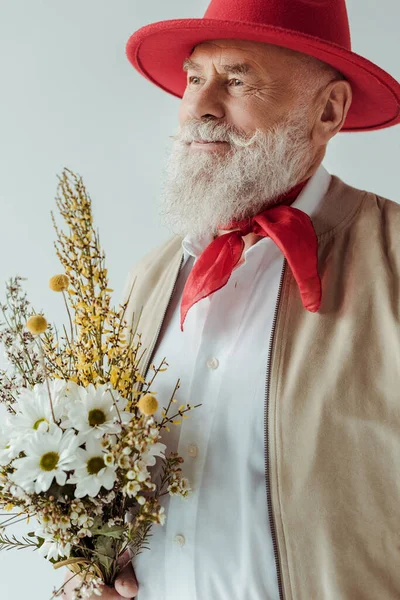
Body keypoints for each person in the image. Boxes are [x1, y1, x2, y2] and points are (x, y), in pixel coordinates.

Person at [63, 0, 400, 598]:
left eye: (237, 79)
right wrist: (94, 560)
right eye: (195, 78)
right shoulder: (152, 276)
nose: (198, 107)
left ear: (329, 109)